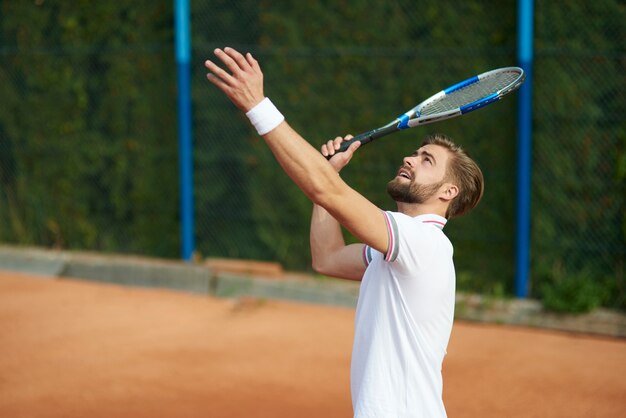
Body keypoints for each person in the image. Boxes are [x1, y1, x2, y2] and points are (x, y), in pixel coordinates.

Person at [205, 47, 484, 418]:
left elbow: (325, 191)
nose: (409, 159)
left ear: (448, 192)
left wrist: (259, 106)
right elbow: (327, 257)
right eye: (416, 153)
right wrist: (330, 174)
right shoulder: (399, 250)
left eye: (426, 160)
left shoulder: (425, 243)